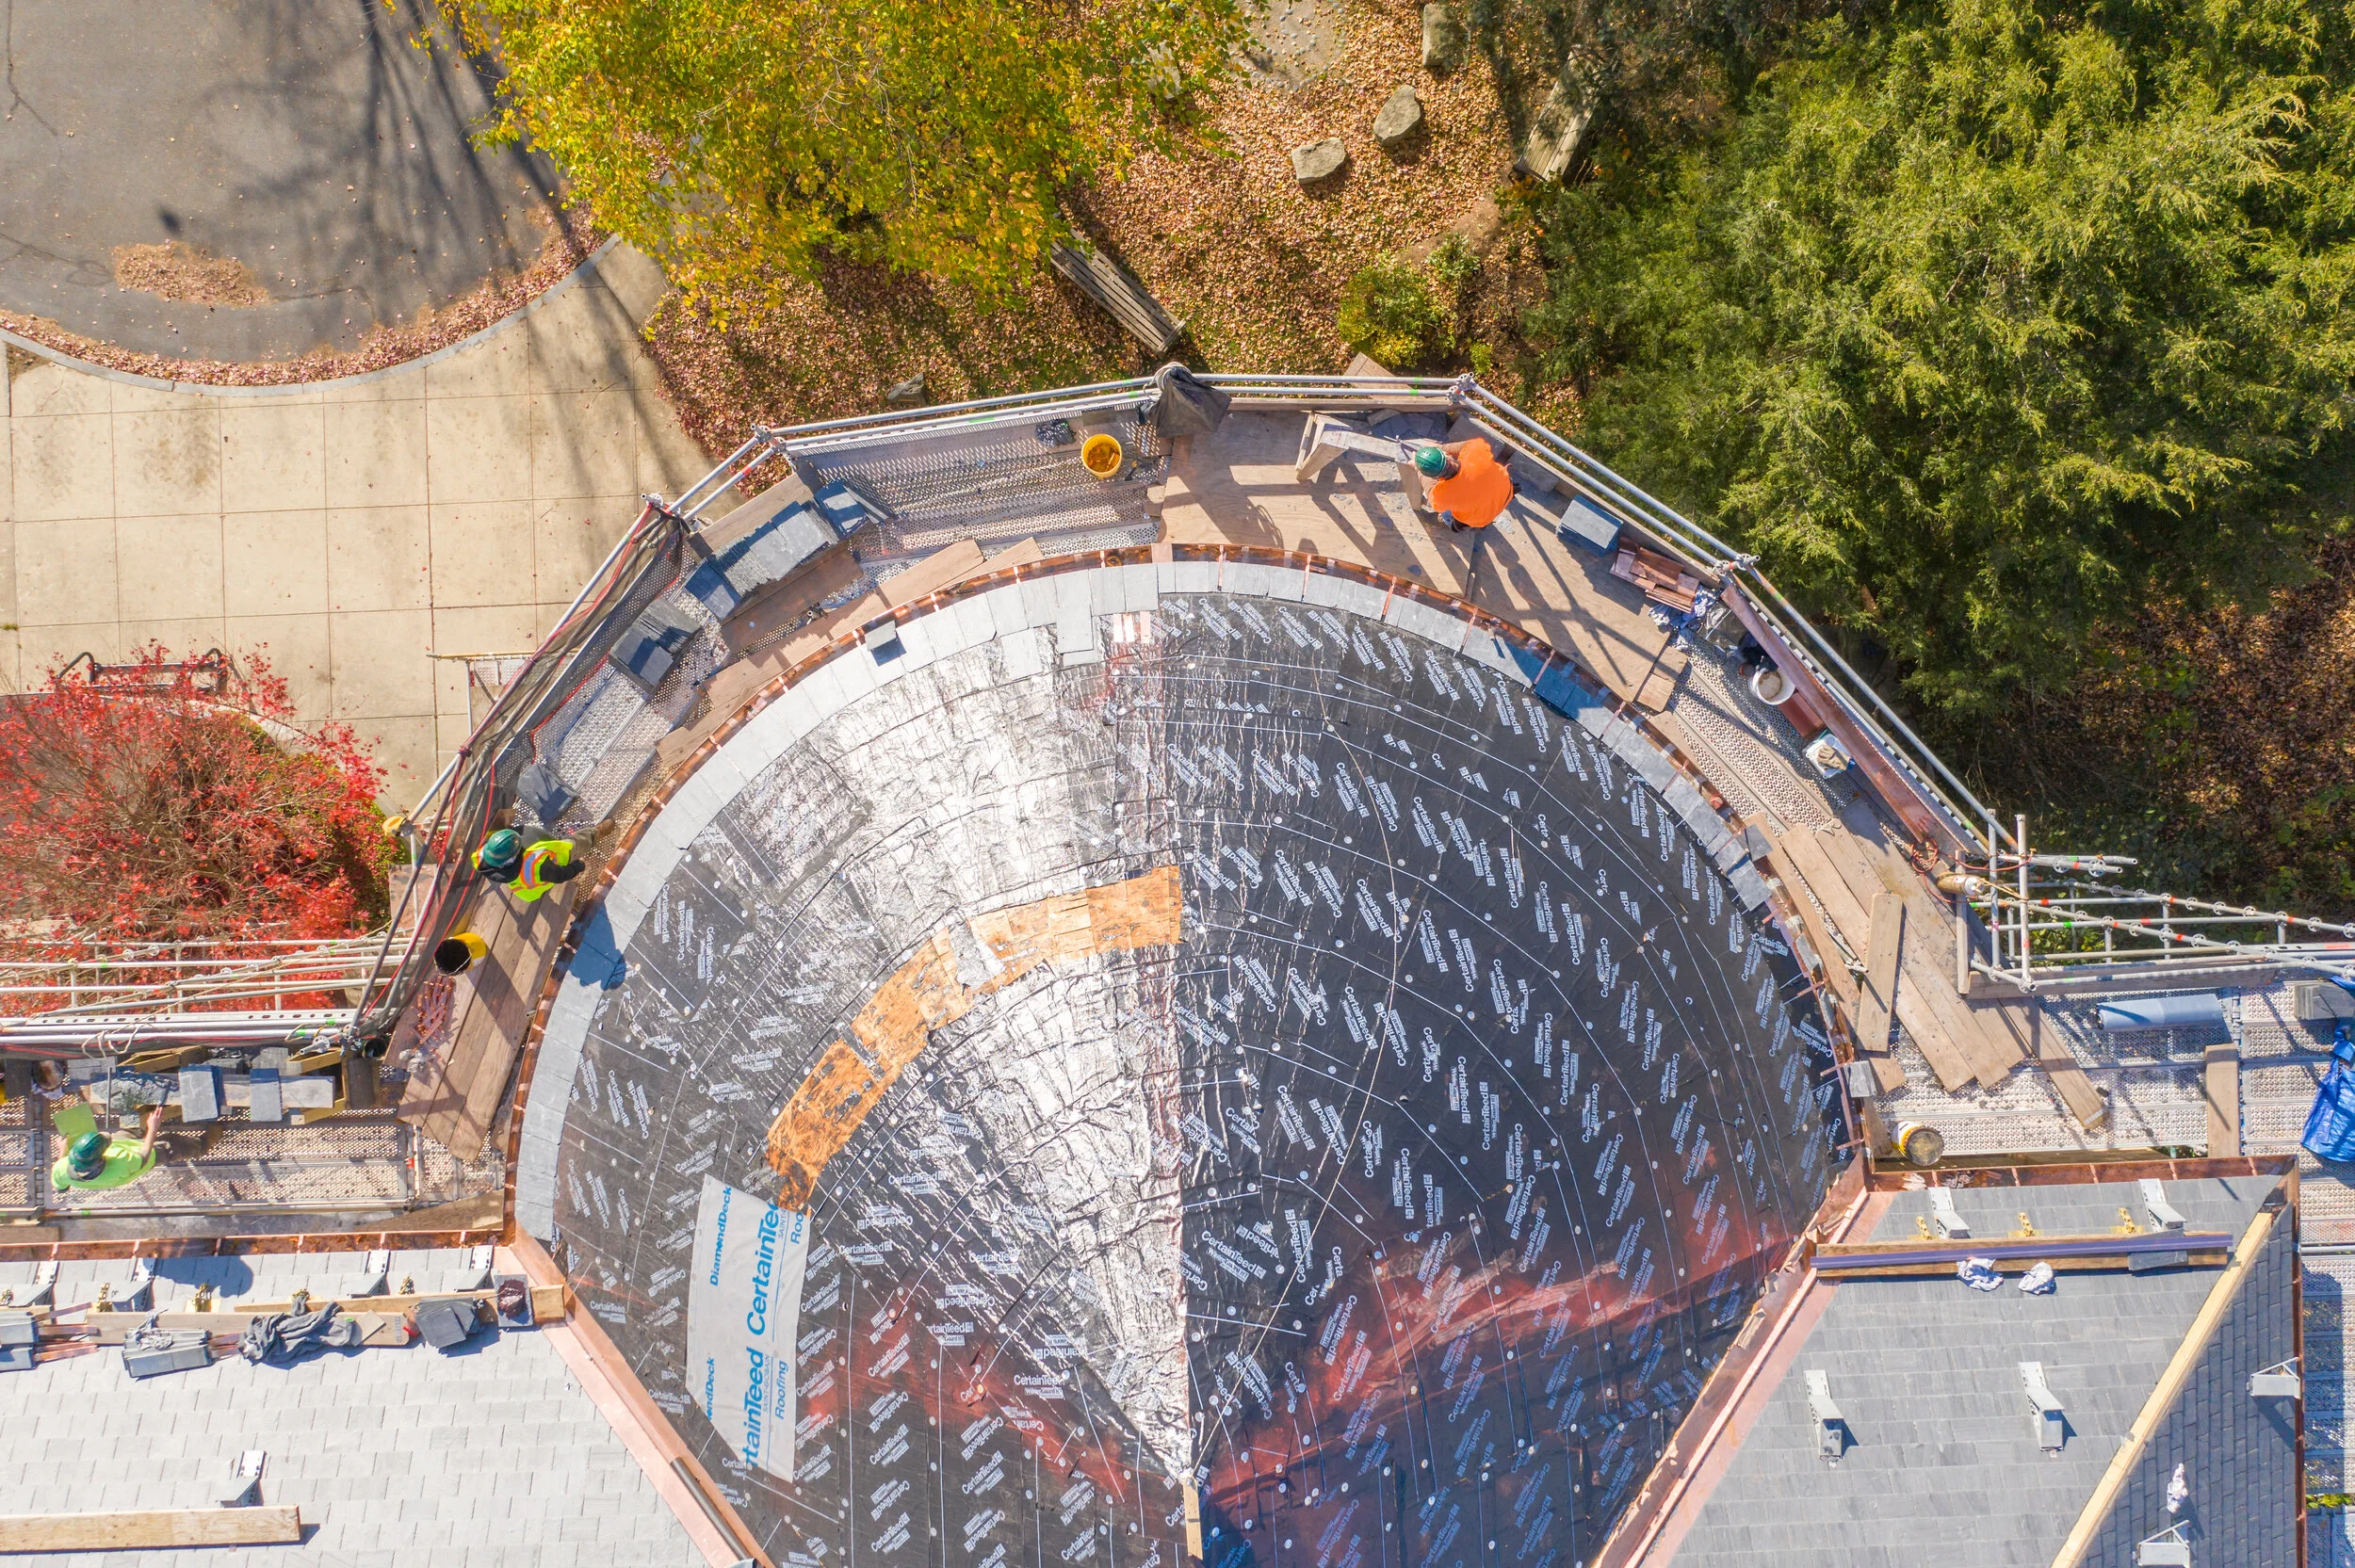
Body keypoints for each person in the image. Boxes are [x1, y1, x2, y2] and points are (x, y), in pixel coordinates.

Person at [52, 1106, 163, 1192]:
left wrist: (63, 1150)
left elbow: (60, 1189)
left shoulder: (60, 1169)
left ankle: (138, 1127)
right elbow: (144, 1157)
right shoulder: (120, 1164)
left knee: (133, 1122)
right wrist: (153, 1128)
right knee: (174, 1144)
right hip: (147, 1156)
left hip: (119, 1144)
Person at [1415, 439, 1516, 531]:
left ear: (1434, 476)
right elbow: (1466, 445)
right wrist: (1440, 447)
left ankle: (1451, 523)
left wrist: (1417, 469)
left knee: (1445, 511)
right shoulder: (1475, 449)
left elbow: (1430, 492)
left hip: (1483, 518)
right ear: (1446, 456)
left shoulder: (1442, 495)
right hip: (1506, 491)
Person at [471, 827, 585, 903]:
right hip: (535, 888)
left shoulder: (479, 857)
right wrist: (578, 866)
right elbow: (560, 875)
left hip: (524, 892)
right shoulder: (535, 866)